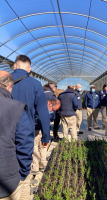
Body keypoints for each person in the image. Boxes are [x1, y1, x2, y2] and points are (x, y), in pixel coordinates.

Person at [11, 55, 50, 194]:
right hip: (25, 134)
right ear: (29, 69)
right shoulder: (34, 84)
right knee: (23, 175)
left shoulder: (4, 81)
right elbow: (43, 113)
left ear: (15, 66)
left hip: (4, 132)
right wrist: (46, 136)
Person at [0, 71, 33, 200]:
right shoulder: (16, 108)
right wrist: (23, 173)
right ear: (9, 86)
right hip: (7, 180)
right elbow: (24, 143)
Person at [32, 98, 60, 174]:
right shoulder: (38, 105)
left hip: (44, 127)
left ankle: (42, 164)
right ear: (50, 103)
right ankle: (35, 167)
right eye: (53, 109)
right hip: (35, 128)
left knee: (43, 146)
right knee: (34, 146)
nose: (53, 111)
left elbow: (52, 118)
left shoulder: (50, 109)